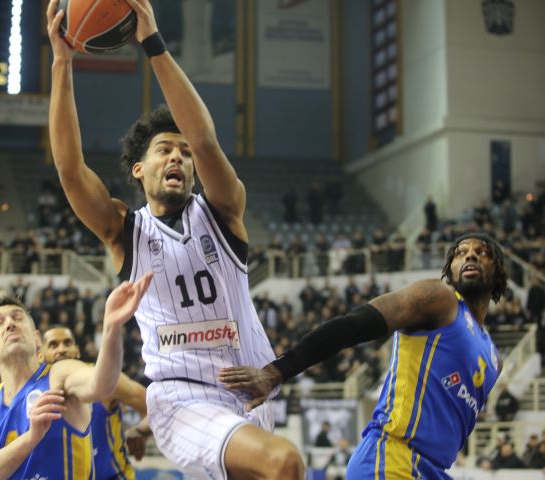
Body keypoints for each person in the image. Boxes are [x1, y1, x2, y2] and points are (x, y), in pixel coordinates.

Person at [46, 0, 303, 477]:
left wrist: (153, 42)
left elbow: (204, 139)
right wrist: (62, 63)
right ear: (138, 170)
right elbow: (69, 170)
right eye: (164, 150)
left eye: (184, 153)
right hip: (181, 400)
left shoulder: (223, 209)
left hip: (252, 392)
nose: (178, 158)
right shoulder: (125, 231)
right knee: (285, 461)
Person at [220, 233, 507, 479]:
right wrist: (277, 371)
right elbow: (353, 325)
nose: (470, 256)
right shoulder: (440, 299)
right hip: (391, 457)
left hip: (434, 470)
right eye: (460, 253)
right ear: (450, 268)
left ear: (498, 270)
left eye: (481, 252)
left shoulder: (494, 359)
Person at [0, 273, 152, 480]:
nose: (9, 324)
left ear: (37, 339)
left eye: (17, 317)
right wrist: (31, 438)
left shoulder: (58, 375)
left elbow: (102, 385)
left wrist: (112, 329)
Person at [40, 326, 150, 479]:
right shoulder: (34, 394)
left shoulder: (104, 379)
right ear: (40, 356)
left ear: (77, 350)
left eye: (67, 343)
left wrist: (140, 431)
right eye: (53, 345)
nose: (62, 349)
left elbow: (154, 405)